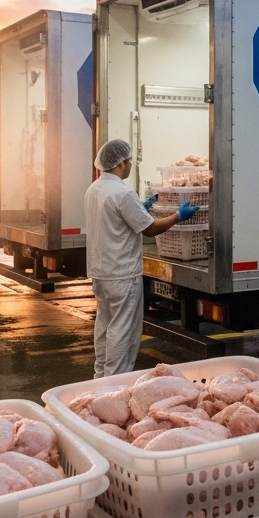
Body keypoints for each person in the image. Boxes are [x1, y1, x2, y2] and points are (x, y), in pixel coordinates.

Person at [84, 139, 201, 377]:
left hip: (100, 271)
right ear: (121, 163)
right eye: (128, 161)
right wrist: (178, 216)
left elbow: (118, 221)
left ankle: (100, 376)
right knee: (122, 328)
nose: (129, 166)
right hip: (122, 274)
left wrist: (141, 207)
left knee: (104, 324)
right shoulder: (123, 193)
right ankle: (115, 380)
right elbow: (150, 230)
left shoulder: (94, 189)